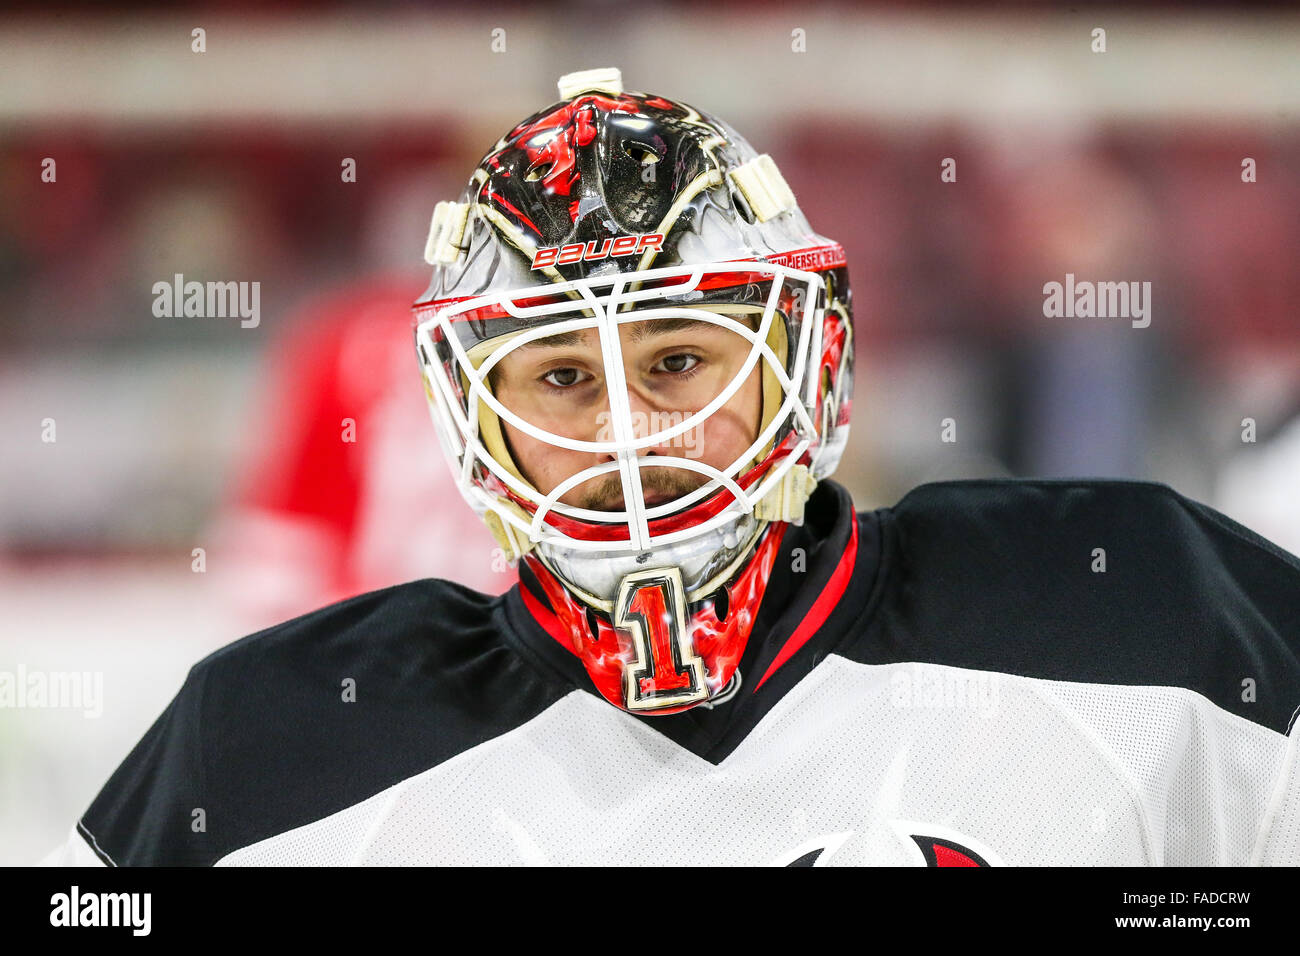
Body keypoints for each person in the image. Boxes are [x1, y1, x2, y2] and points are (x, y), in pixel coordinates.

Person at [42, 69, 1300, 866]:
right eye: (562, 378)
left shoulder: (1140, 608)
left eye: (677, 360)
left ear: (803, 365)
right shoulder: (271, 750)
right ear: (471, 415)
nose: (628, 435)